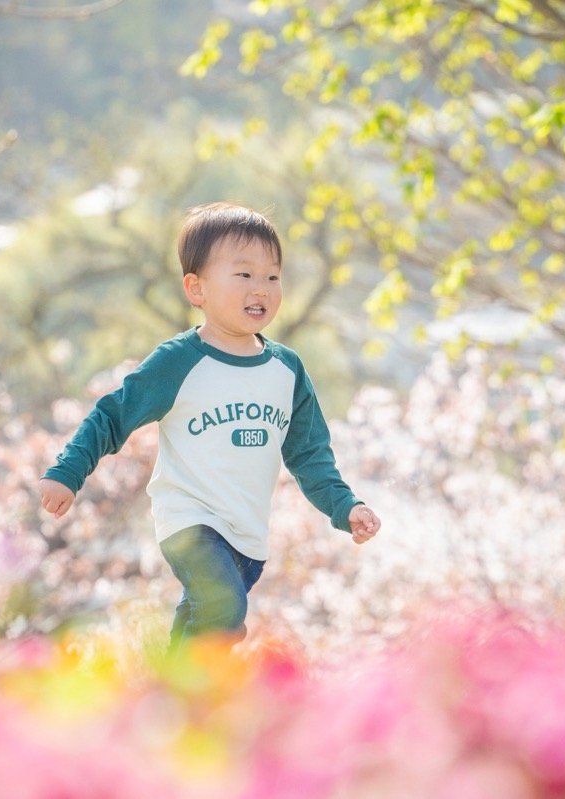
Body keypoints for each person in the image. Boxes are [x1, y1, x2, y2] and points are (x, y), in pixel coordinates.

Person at [38, 202, 380, 650]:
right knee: (222, 609)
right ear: (196, 289)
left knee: (206, 618)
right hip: (190, 522)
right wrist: (67, 471)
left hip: (249, 537)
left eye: (272, 277)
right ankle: (201, 694)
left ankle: (170, 699)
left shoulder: (287, 370)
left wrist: (345, 506)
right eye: (244, 275)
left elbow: (310, 454)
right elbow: (113, 415)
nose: (261, 288)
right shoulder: (180, 361)